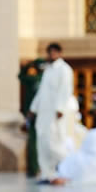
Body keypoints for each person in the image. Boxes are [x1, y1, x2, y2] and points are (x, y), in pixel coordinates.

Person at [29, 43, 75, 182]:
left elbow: (65, 90)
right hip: (43, 113)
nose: (51, 55)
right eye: (49, 52)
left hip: (55, 113)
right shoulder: (48, 70)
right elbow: (41, 92)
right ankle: (47, 174)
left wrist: (60, 108)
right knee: (42, 144)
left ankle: (71, 168)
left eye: (54, 52)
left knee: (54, 143)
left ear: (59, 53)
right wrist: (33, 109)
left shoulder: (64, 69)